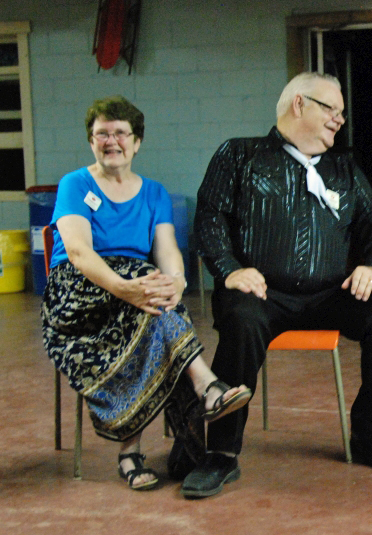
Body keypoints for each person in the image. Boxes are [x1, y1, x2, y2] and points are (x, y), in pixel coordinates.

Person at [183, 72, 372, 498]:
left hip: (329, 295)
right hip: (261, 293)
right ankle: (220, 453)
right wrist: (229, 269)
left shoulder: (343, 167)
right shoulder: (239, 154)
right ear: (299, 104)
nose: (340, 120)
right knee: (242, 317)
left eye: (342, 113)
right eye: (332, 109)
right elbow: (209, 216)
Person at [41, 96, 252, 490]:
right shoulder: (75, 184)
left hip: (138, 298)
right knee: (147, 287)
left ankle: (131, 453)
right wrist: (127, 288)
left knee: (155, 307)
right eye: (102, 133)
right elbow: (78, 253)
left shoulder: (154, 193)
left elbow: (168, 250)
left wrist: (176, 283)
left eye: (121, 133)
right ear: (90, 141)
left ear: (136, 142)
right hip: (78, 297)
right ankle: (206, 385)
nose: (111, 141)